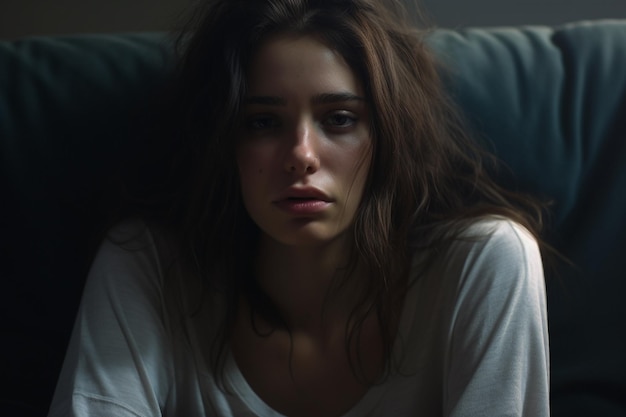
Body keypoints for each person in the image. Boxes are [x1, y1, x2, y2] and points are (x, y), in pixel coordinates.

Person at [48, 0, 550, 416]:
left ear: (388, 136)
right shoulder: (149, 267)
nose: (301, 156)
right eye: (263, 123)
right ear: (223, 140)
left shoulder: (484, 264)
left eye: (339, 119)